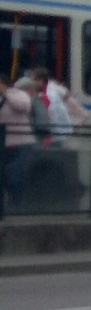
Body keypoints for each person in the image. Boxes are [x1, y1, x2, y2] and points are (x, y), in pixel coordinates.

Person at [0, 74, 41, 217]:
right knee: (4, 175)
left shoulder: (17, 95)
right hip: (4, 144)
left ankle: (16, 204)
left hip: (20, 143)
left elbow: (23, 106)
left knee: (16, 175)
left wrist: (6, 93)